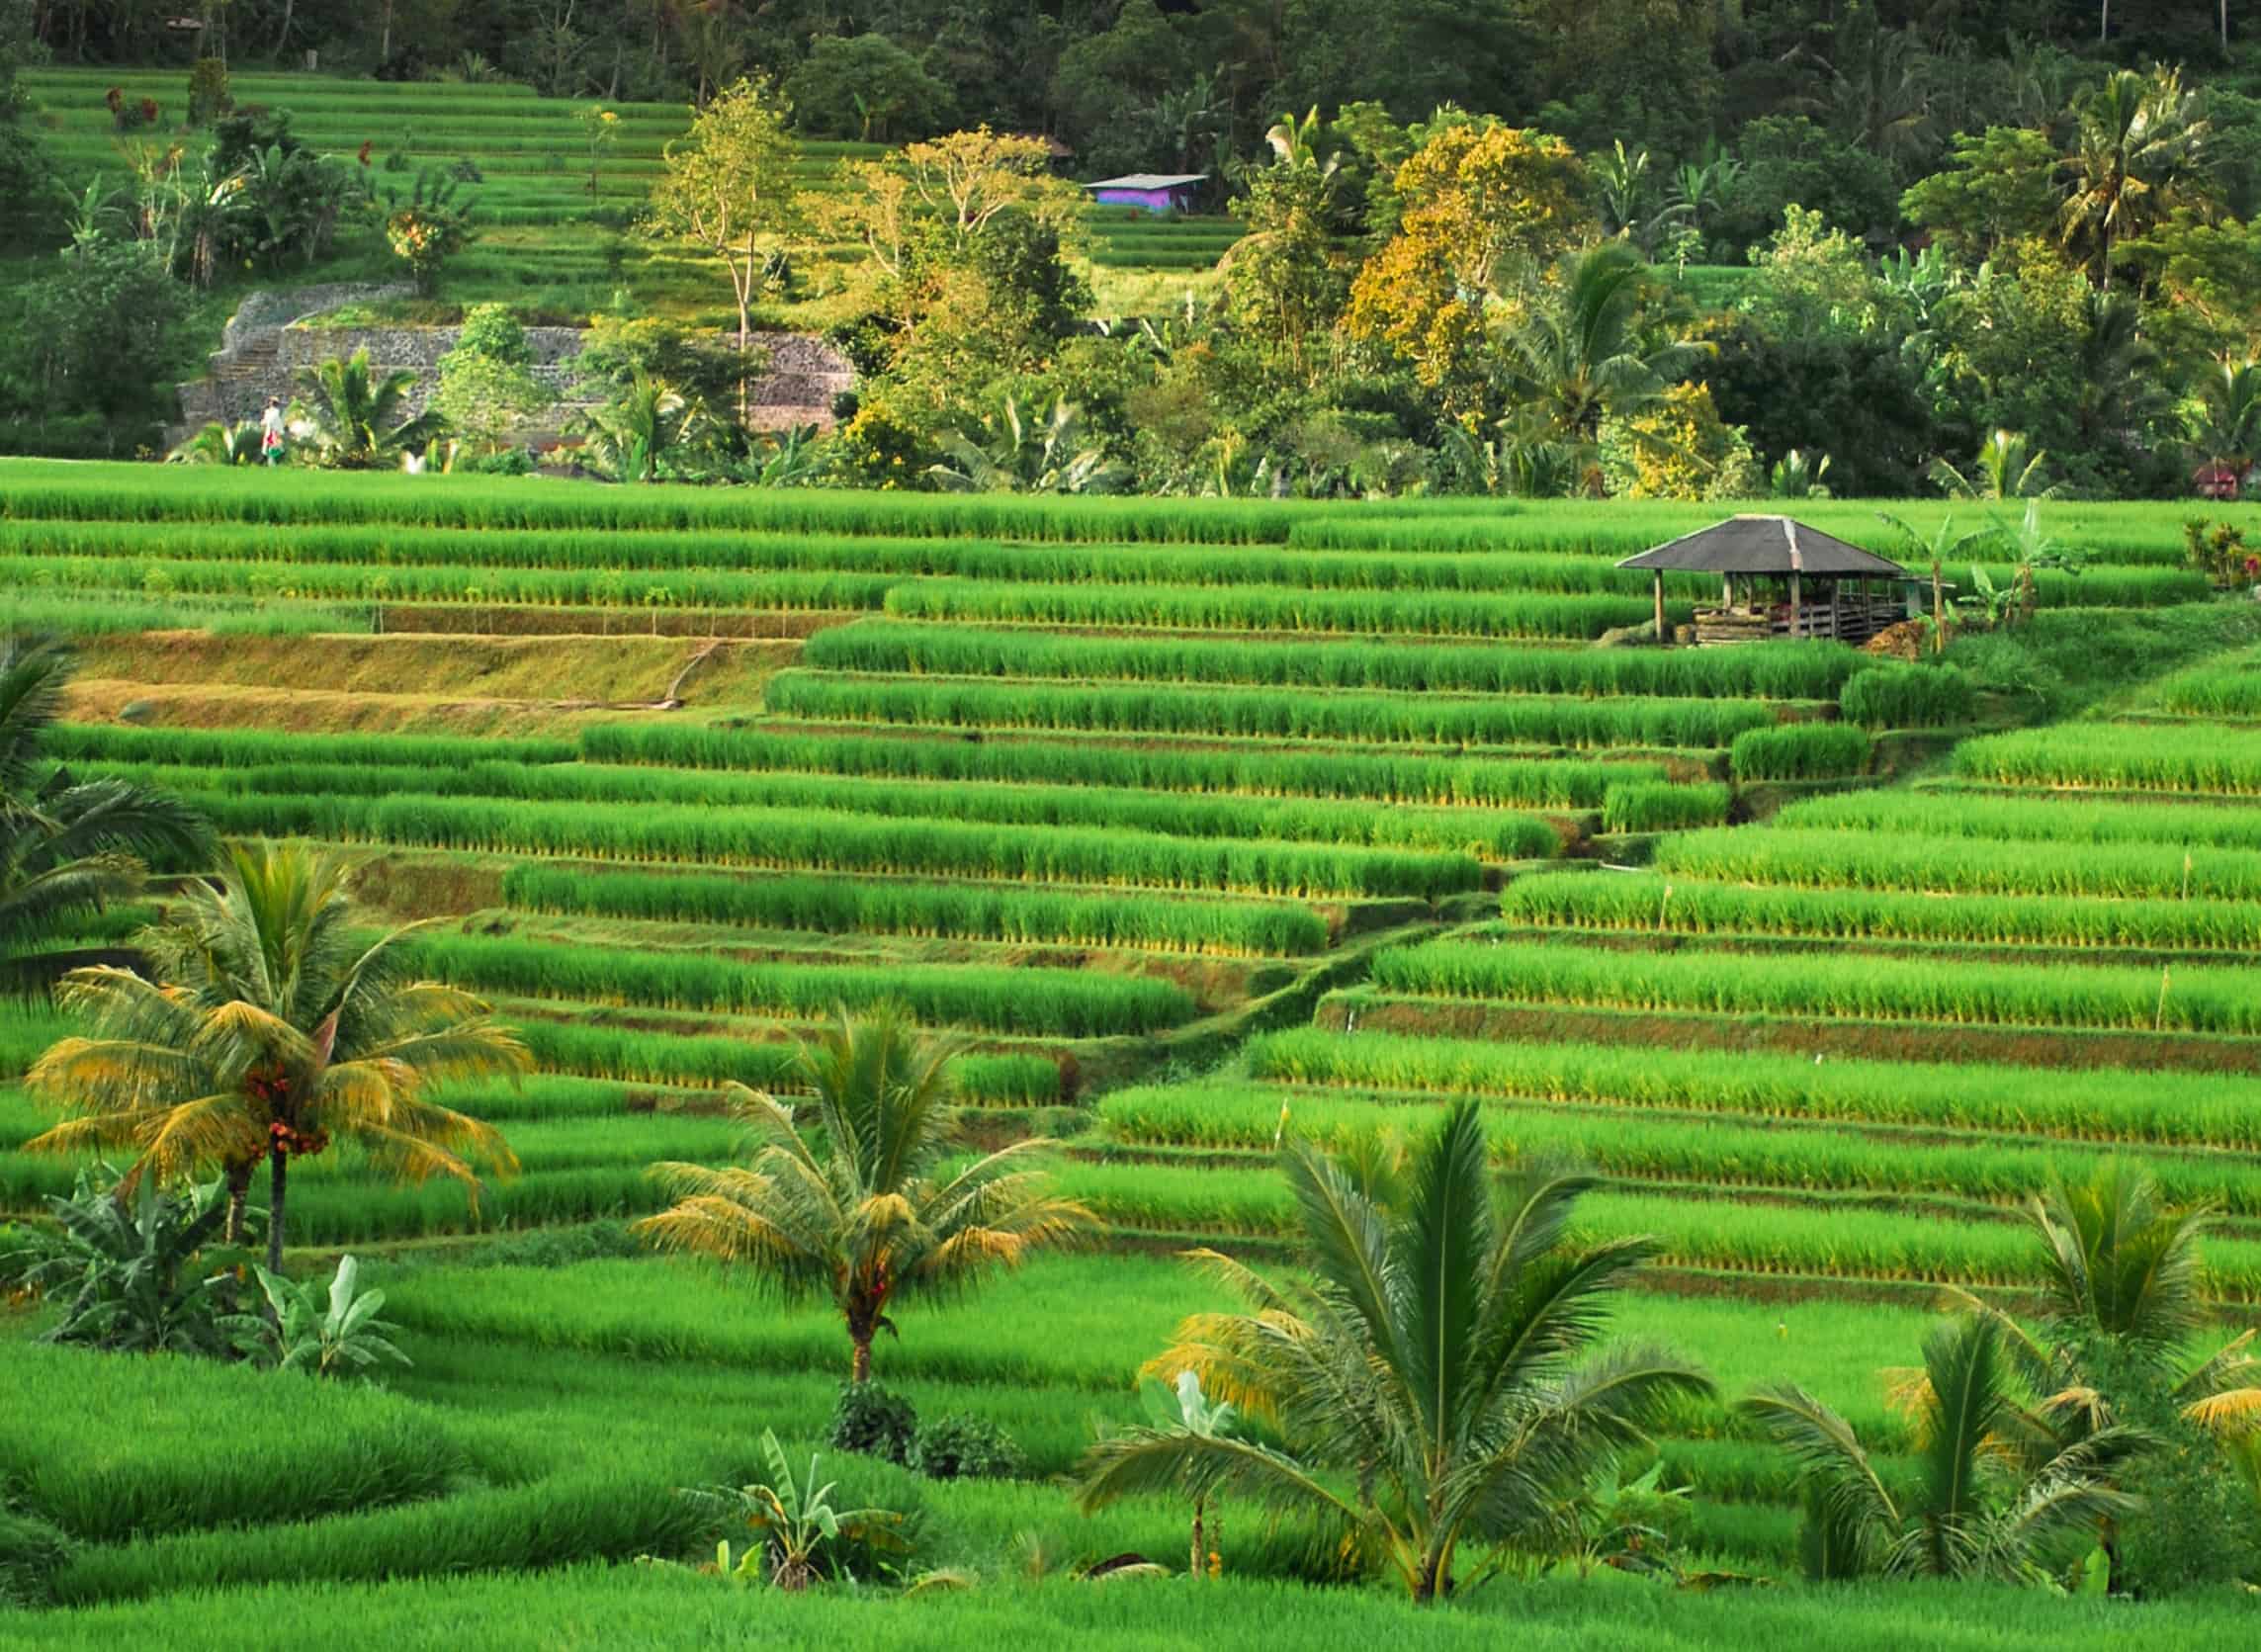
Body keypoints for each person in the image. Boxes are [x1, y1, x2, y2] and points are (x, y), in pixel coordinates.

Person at [260, 396, 285, 467]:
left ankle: (272, 463)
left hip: (273, 431)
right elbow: (266, 420)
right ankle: (270, 463)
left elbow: (272, 421)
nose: (270, 403)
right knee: (268, 448)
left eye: (272, 402)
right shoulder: (267, 411)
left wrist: (265, 422)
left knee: (273, 447)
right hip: (268, 431)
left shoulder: (276, 412)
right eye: (270, 401)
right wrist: (263, 422)